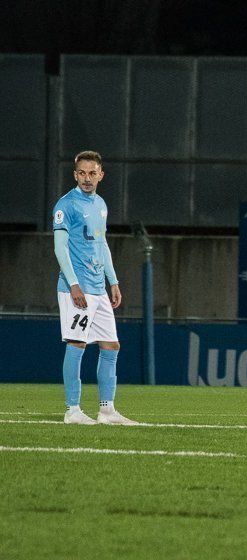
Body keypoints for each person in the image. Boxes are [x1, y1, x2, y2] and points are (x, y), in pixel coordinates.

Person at [53, 151, 137, 425]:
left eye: (92, 173)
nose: (87, 178)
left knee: (111, 345)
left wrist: (113, 281)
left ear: (101, 175)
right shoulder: (66, 205)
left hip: (98, 288)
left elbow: (102, 246)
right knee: (77, 343)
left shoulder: (100, 204)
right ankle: (72, 410)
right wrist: (74, 284)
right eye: (82, 173)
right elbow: (60, 248)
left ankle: (107, 410)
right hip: (76, 288)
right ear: (75, 175)